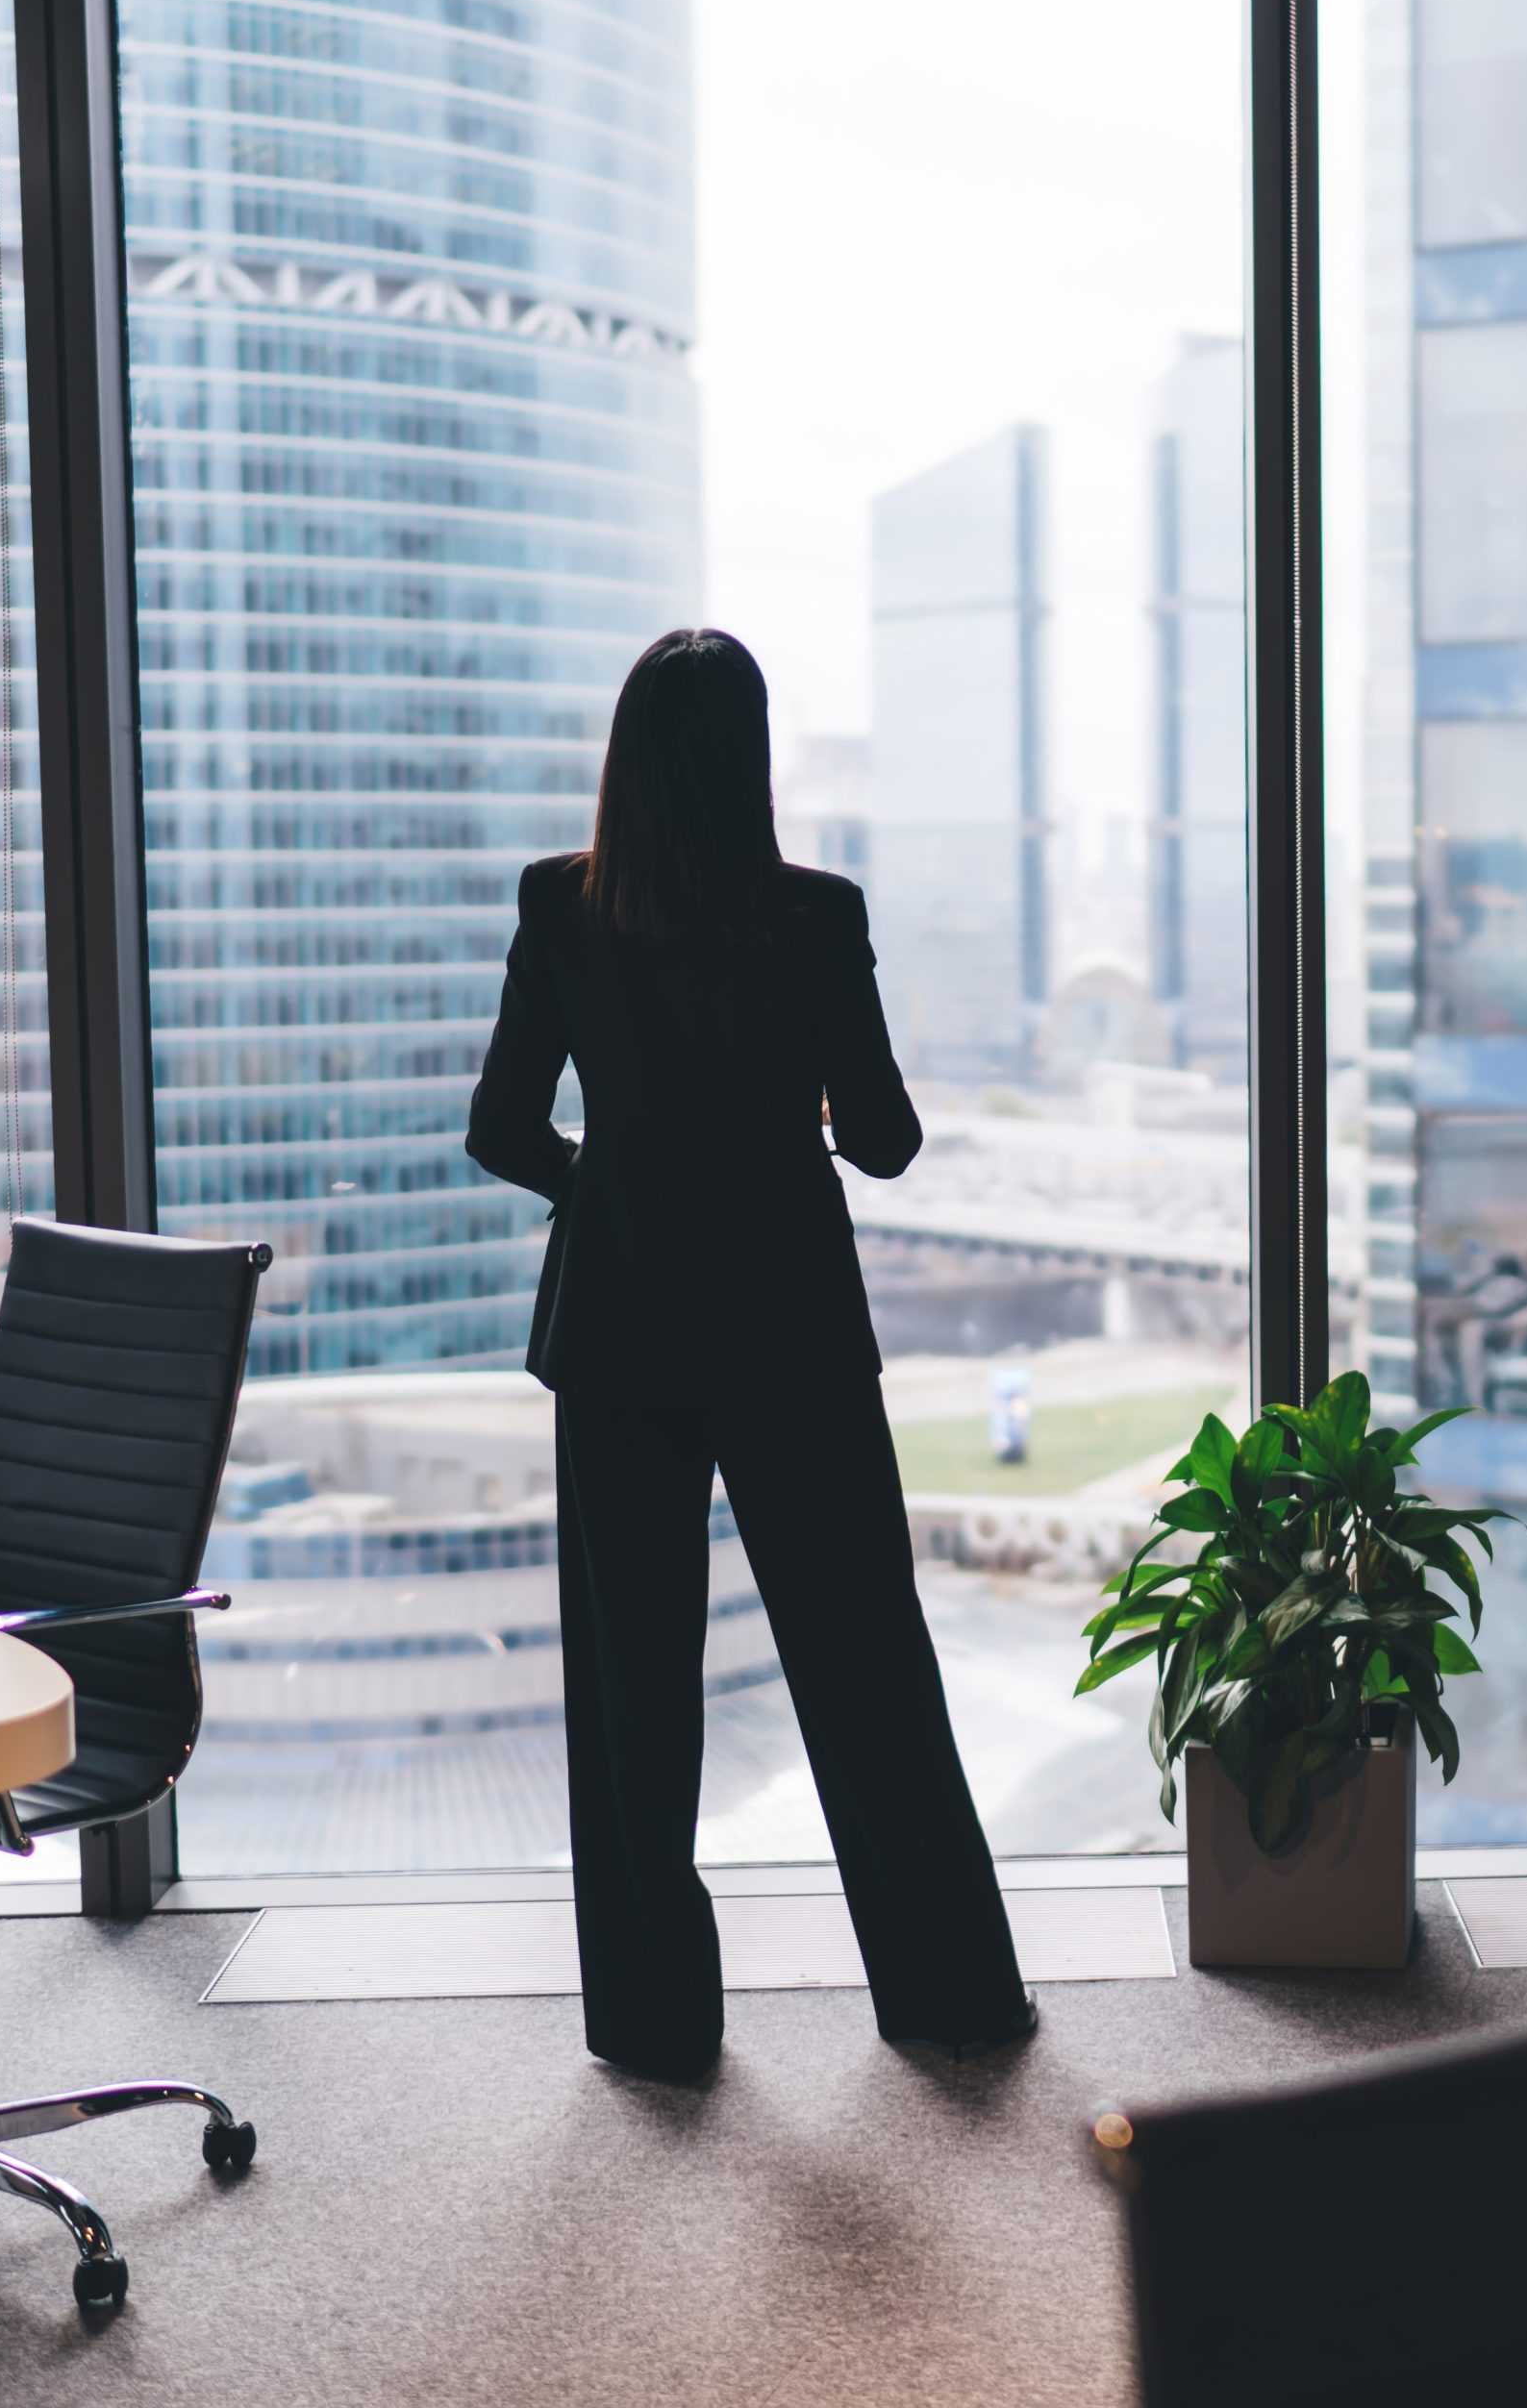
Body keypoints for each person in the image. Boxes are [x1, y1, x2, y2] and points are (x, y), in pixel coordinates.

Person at [465, 626, 1034, 2082]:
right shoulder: (815, 915)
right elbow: (888, 1141)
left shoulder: (562, 905)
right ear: (755, 757)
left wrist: (610, 1183)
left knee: (632, 1690)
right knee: (867, 1670)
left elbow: (501, 1129)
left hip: (619, 1328)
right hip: (790, 1325)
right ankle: (950, 1995)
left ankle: (654, 2028)